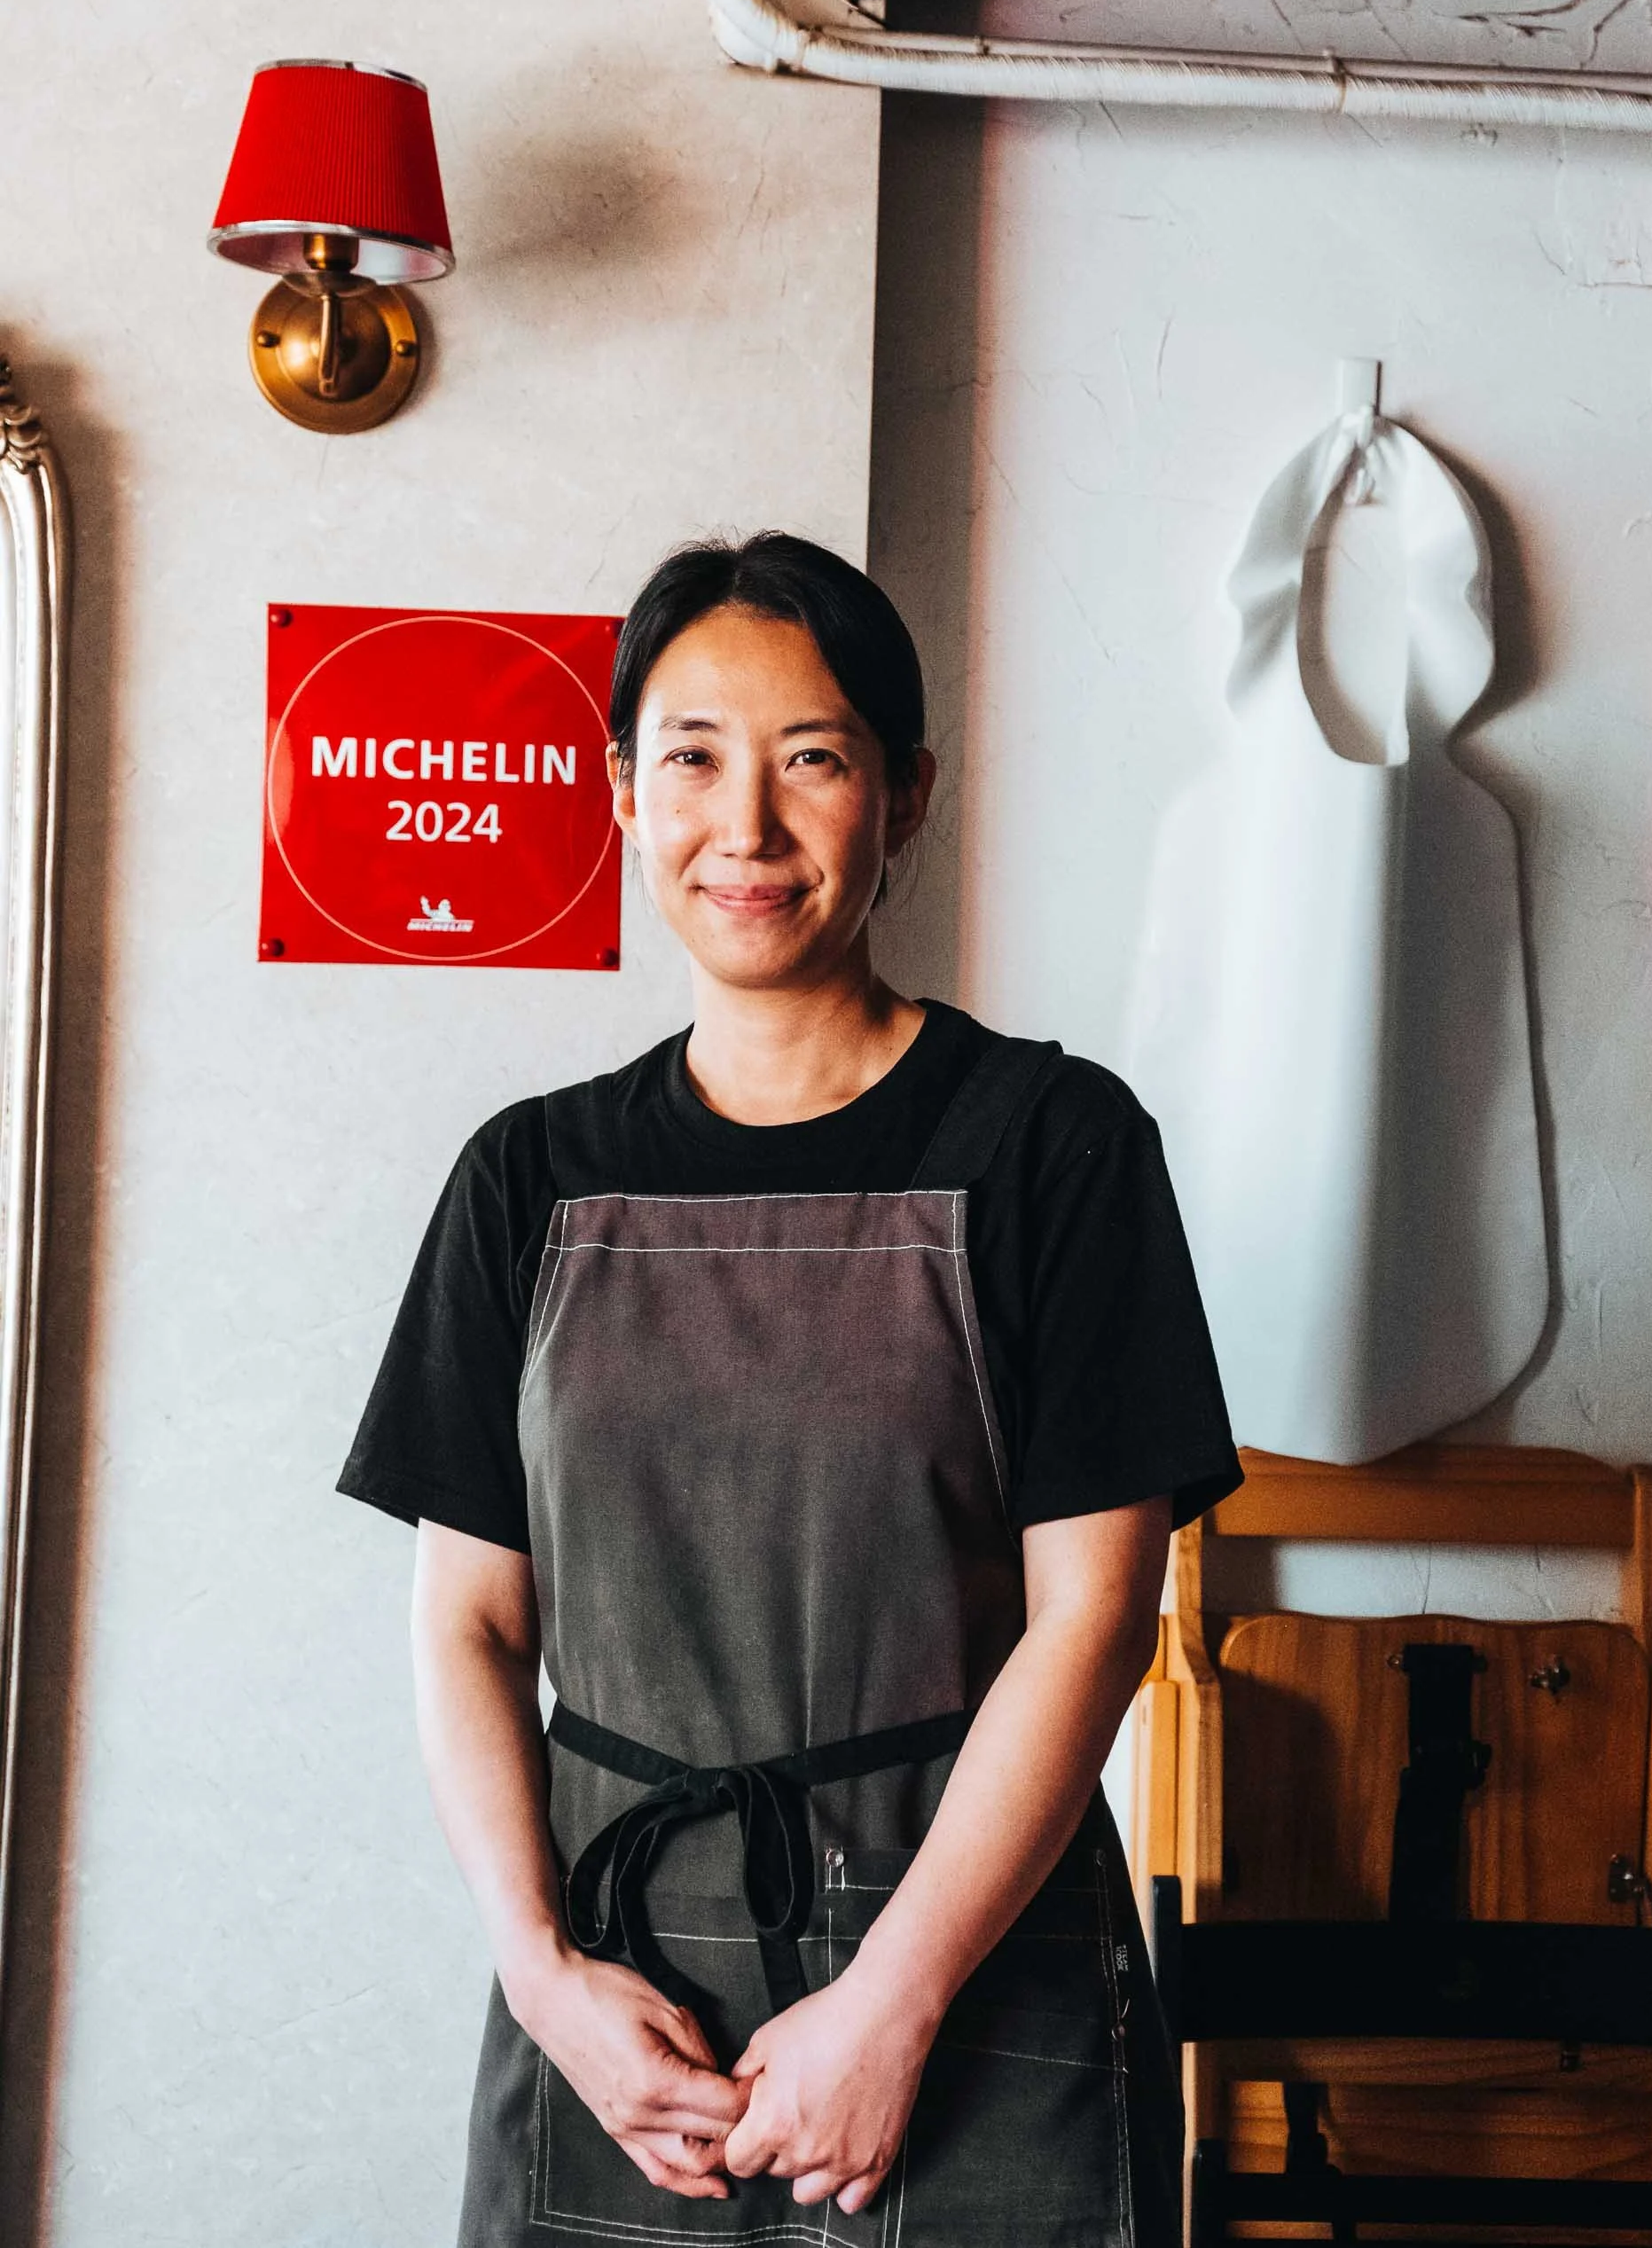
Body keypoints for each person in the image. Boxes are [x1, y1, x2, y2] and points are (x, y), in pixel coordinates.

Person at [339, 531, 1241, 2247]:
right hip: (621, 2011)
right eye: (690, 759)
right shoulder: (525, 1180)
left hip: (975, 1976)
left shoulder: (1056, 1149)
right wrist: (542, 1977)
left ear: (906, 794)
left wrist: (893, 2003)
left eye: (812, 759)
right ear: (621, 793)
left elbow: (1099, 1617)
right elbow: (466, 1621)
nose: (742, 827)